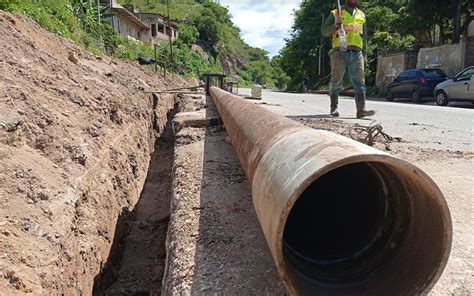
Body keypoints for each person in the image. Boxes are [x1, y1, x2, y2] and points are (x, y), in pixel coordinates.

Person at [322, 0, 375, 118]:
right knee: (336, 82)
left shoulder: (361, 15)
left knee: (360, 83)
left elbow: (364, 36)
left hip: (357, 53)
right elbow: (324, 31)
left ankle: (361, 110)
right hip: (339, 52)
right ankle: (333, 108)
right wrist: (335, 24)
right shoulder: (335, 13)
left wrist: (365, 54)